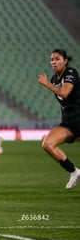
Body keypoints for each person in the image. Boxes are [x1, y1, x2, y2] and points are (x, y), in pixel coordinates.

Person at [38, 49, 80, 189]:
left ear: (65, 60)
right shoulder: (54, 79)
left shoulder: (71, 73)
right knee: (47, 144)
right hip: (69, 122)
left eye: (57, 59)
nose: (53, 62)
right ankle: (74, 171)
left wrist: (47, 85)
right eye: (52, 59)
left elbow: (65, 93)